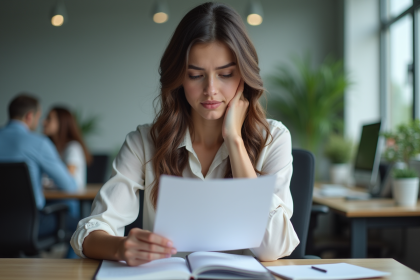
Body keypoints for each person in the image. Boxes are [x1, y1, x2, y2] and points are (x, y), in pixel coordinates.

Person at [71, 2, 299, 265]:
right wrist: (120, 247)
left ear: (244, 76)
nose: (210, 89)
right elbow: (89, 231)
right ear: (179, 78)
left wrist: (234, 141)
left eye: (225, 74)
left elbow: (272, 248)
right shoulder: (144, 142)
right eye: (195, 75)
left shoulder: (274, 138)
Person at [0, 94, 78, 243]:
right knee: (82, 225)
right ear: (30, 116)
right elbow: (69, 185)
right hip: (30, 224)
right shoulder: (39, 143)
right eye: (39, 116)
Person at [42, 106, 92, 219]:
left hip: (67, 204)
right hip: (50, 200)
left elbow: (67, 180)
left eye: (49, 118)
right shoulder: (52, 148)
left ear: (62, 123)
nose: (43, 122)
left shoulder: (72, 148)